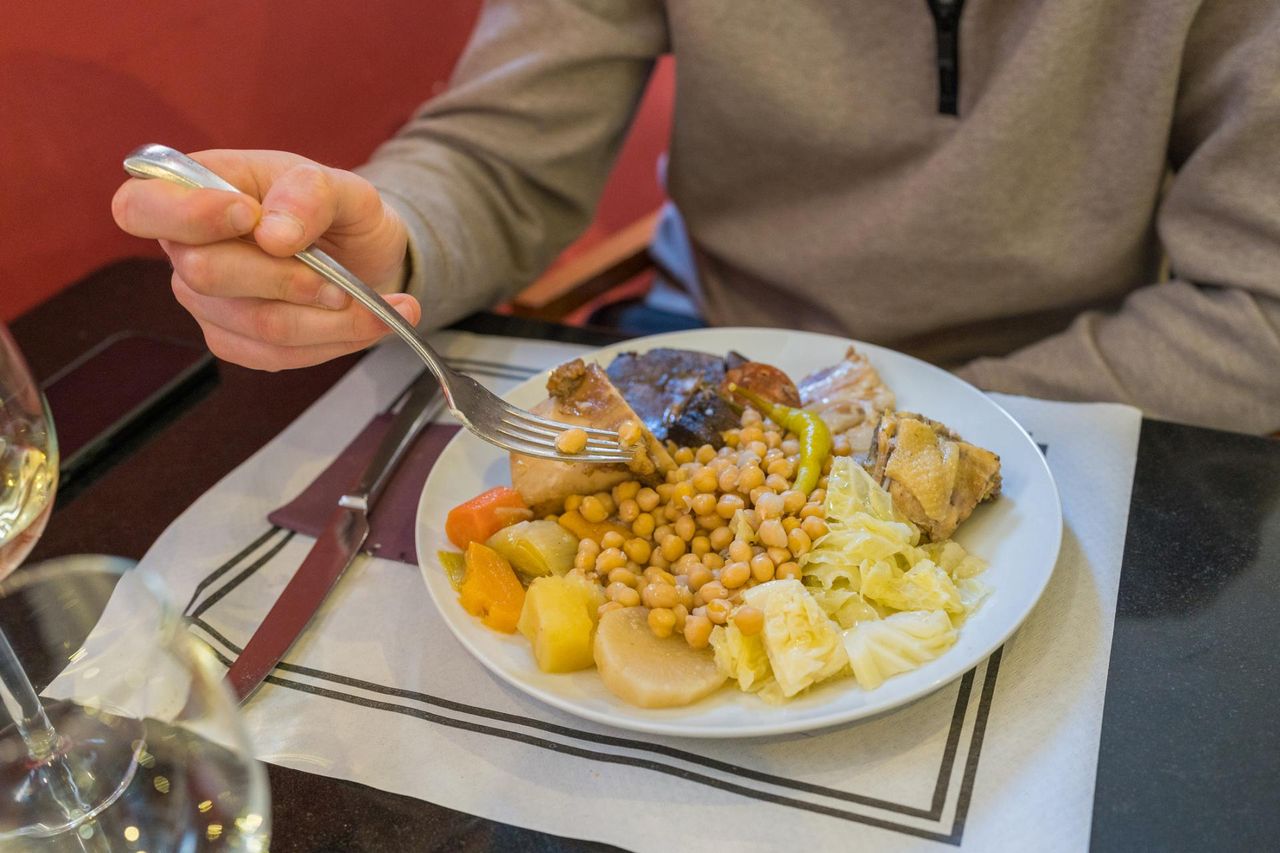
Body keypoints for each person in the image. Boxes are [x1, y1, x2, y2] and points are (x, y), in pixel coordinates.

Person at [112, 0, 1280, 435]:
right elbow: (495, 156)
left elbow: (1256, 315)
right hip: (719, 367)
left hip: (1091, 403)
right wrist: (393, 239)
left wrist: (905, 430)